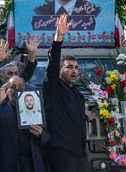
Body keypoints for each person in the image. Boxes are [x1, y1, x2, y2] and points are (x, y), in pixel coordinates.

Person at [43, 14, 92, 172]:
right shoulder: (54, 87)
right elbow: (52, 63)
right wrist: (59, 38)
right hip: (61, 152)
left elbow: (69, 114)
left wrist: (84, 115)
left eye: (76, 68)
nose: (74, 70)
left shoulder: (77, 94)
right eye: (69, 67)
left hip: (79, 152)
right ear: (59, 70)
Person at [0, 76, 50, 172]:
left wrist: (40, 134)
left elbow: (47, 137)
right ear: (7, 90)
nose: (17, 89)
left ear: (25, 88)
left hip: (31, 163)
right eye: (13, 87)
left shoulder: (36, 108)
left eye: (20, 86)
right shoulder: (0, 108)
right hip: (8, 163)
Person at [0, 35, 40, 107]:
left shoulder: (18, 82)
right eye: (9, 73)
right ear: (1, 77)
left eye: (16, 73)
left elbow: (27, 72)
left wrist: (31, 54)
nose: (13, 76)